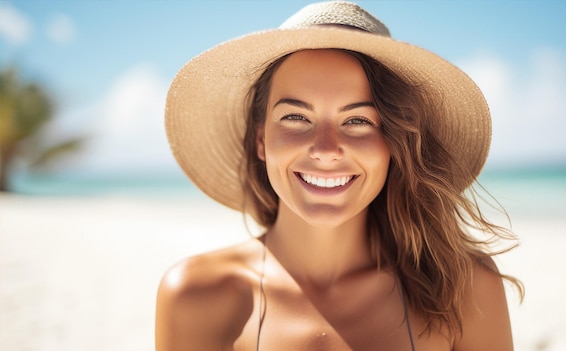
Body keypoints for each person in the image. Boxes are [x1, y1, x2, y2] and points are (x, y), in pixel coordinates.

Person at [156, 1, 522, 350]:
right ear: (261, 140)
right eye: (296, 118)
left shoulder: (464, 289)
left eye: (358, 121)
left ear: (393, 145)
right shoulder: (194, 296)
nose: (326, 149)